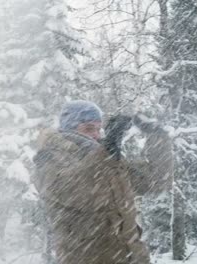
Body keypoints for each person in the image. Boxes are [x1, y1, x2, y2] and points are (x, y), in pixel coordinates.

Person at [32, 100, 174, 264]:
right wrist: (105, 154)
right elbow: (83, 194)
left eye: (98, 128)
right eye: (89, 128)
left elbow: (157, 181)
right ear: (68, 129)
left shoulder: (108, 159)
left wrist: (158, 137)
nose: (97, 135)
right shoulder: (49, 159)